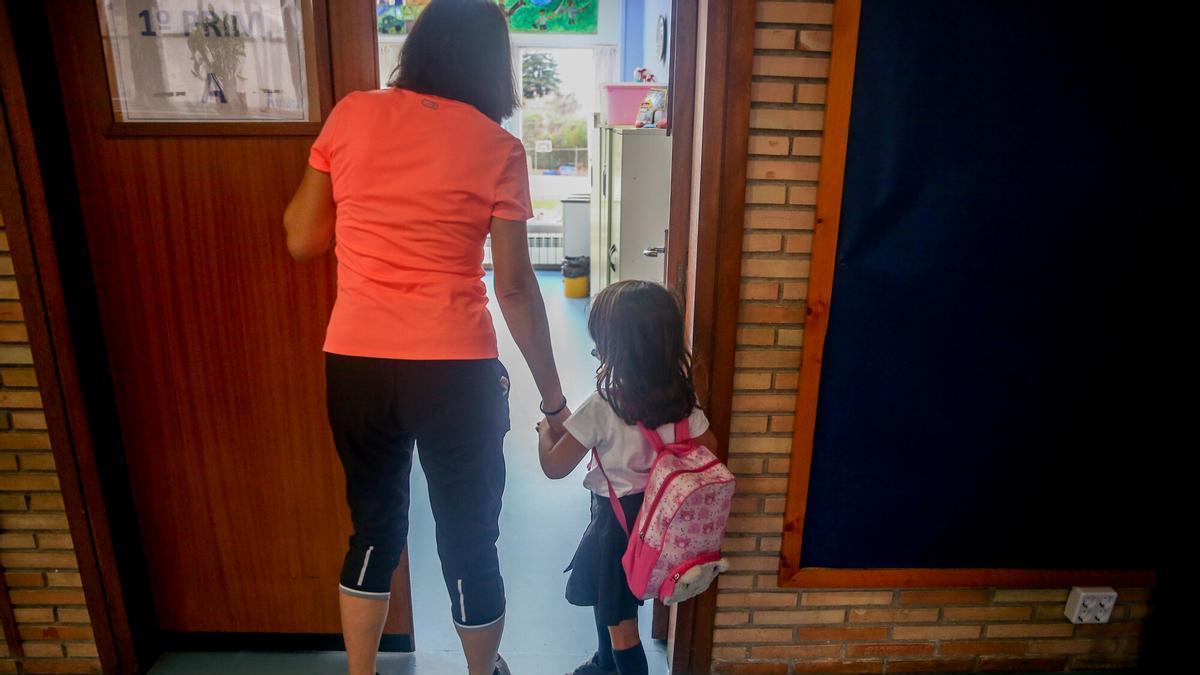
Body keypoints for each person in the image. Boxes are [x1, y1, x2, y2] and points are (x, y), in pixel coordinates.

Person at [283, 1, 570, 673]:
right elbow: (517, 287)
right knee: (469, 539)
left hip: (356, 362)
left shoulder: (352, 114)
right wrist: (555, 405)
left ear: (418, 46)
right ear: (493, 66)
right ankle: (481, 671)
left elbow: (301, 237)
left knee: (374, 527)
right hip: (454, 369)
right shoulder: (498, 149)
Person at [536, 281, 719, 675]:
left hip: (614, 524)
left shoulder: (604, 405)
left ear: (613, 346)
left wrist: (544, 433)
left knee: (621, 623)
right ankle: (604, 664)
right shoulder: (683, 401)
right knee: (612, 602)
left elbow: (554, 466)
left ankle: (615, 663)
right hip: (658, 519)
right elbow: (712, 450)